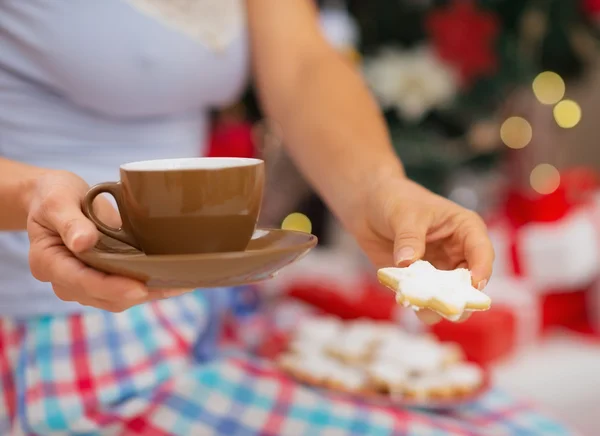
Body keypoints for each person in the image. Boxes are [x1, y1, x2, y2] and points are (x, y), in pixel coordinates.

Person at [0, 0, 494, 433]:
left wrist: (379, 188)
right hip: (54, 333)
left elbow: (302, 63)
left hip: (207, 305)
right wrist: (30, 195)